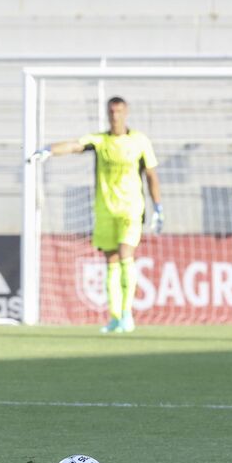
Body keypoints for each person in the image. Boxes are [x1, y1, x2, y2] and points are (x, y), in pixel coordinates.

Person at [28, 96, 163, 333]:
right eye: (111, 111)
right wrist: (49, 150)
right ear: (107, 113)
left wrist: (158, 207)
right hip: (105, 210)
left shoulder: (140, 141)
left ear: (126, 112)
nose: (115, 115)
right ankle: (114, 317)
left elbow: (151, 175)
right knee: (110, 262)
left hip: (131, 209)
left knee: (125, 256)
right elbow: (73, 145)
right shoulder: (100, 141)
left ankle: (127, 314)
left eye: (119, 111)